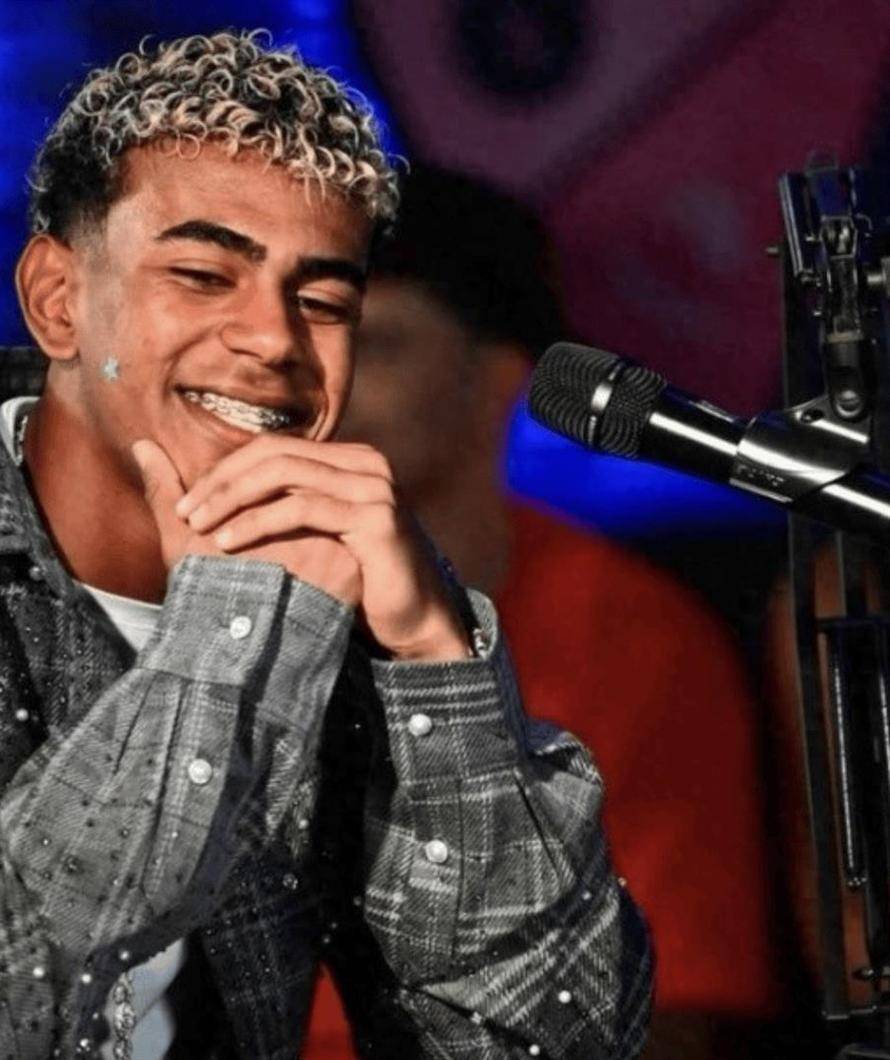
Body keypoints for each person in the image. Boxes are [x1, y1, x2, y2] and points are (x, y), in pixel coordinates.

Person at [0, 33, 651, 1059]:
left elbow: (544, 1043)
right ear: (58, 302)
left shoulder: (331, 576)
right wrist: (218, 641)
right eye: (205, 274)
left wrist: (439, 663)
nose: (274, 339)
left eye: (322, 301)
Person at [304, 165, 778, 1059]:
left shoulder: (632, 636)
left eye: (380, 345)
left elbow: (671, 1010)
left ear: (497, 380)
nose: (324, 385)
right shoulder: (204, 607)